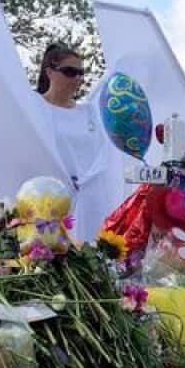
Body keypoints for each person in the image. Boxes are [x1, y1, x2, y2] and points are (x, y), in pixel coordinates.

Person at [35, 44, 119, 241]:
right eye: (70, 72)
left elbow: (104, 154)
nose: (78, 79)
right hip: (50, 202)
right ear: (50, 72)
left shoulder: (90, 112)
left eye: (81, 73)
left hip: (91, 204)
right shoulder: (35, 108)